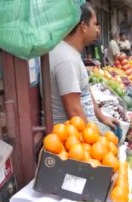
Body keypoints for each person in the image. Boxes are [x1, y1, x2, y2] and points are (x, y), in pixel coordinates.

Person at [49, 3, 119, 132]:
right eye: (95, 24)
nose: (98, 30)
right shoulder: (66, 59)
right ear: (84, 26)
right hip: (73, 140)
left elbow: (84, 91)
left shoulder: (72, 53)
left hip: (86, 130)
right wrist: (95, 141)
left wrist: (102, 118)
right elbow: (74, 111)